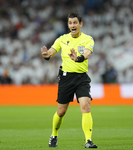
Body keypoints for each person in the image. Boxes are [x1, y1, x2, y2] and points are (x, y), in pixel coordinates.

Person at [41, 12, 97, 148]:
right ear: (68, 25)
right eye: (70, 23)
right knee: (61, 111)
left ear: (80, 24)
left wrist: (78, 58)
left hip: (82, 77)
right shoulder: (61, 39)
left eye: (75, 22)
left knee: (86, 106)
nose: (73, 25)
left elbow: (87, 53)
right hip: (66, 78)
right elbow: (50, 52)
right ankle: (54, 134)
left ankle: (88, 141)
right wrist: (46, 55)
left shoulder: (88, 39)